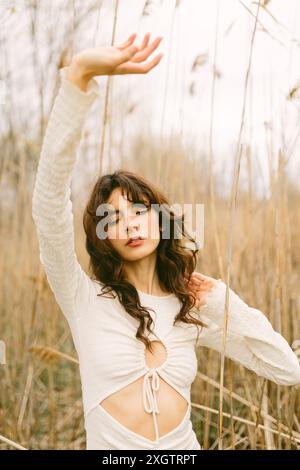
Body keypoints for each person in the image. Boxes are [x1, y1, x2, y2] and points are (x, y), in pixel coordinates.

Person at [31, 32, 300, 450]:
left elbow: (286, 369)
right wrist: (78, 78)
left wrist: (222, 300)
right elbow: (48, 205)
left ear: (162, 221)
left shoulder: (189, 307)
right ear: (102, 234)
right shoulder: (83, 299)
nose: (131, 225)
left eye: (139, 211)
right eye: (114, 217)